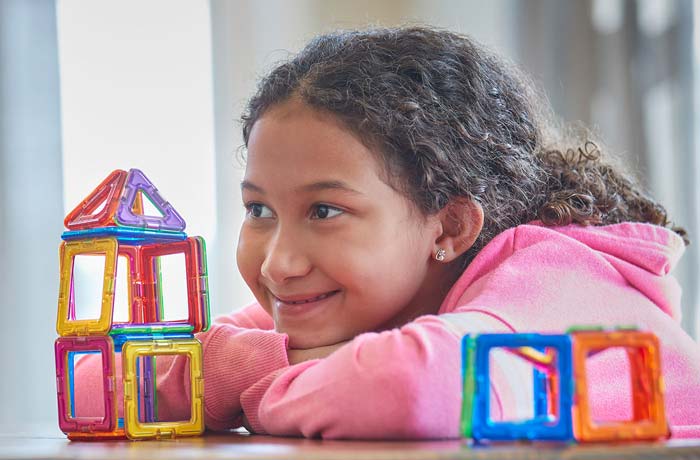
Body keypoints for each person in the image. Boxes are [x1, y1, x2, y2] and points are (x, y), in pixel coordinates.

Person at [75, 26, 700, 439]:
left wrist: (247, 380)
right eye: (259, 210)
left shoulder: (558, 280)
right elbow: (104, 390)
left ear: (450, 226)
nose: (278, 264)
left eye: (324, 211)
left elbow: (408, 386)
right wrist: (236, 362)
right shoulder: (381, 298)